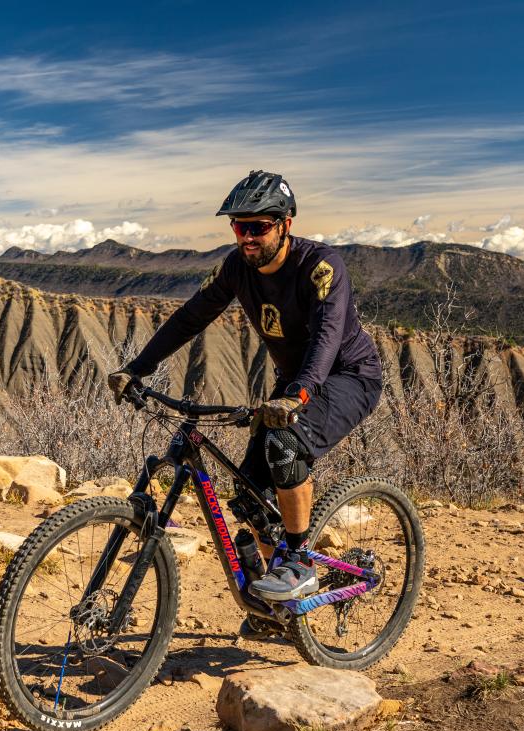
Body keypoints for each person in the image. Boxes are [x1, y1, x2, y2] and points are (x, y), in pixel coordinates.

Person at [107, 170, 383, 613]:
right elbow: (190, 318)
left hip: (348, 375)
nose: (247, 237)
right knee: (249, 495)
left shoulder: (322, 266)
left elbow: (327, 338)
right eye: (239, 227)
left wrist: (298, 395)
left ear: (285, 225)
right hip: (293, 382)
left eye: (258, 227)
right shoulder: (237, 267)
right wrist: (137, 368)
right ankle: (278, 609)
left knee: (284, 446)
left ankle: (298, 562)